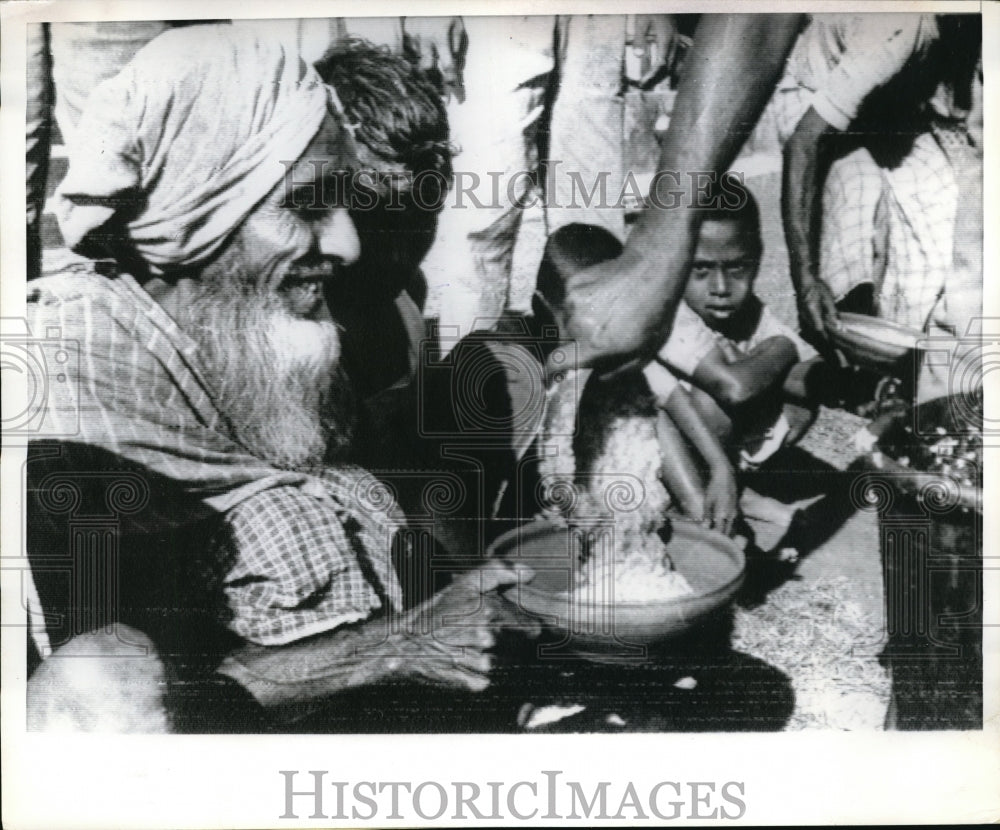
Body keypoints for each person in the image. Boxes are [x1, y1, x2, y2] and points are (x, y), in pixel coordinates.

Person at [25, 25, 534, 733]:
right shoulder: (75, 390)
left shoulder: (261, 331)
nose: (349, 243)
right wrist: (393, 647)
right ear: (198, 205)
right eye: (306, 206)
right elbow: (115, 712)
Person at [776, 14, 983, 357]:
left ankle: (917, 351)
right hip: (811, 99)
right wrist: (805, 280)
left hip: (889, 105)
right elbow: (805, 143)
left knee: (943, 209)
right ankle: (845, 343)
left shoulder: (973, 29)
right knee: (859, 191)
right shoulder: (896, 27)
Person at [654, 178, 831, 469]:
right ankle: (709, 487)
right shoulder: (670, 312)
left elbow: (813, 370)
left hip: (718, 439)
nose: (721, 287)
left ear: (758, 259)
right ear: (675, 263)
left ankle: (732, 477)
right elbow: (736, 388)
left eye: (737, 267)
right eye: (701, 268)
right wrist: (782, 349)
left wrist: (802, 400)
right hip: (658, 449)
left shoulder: (750, 311)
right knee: (713, 403)